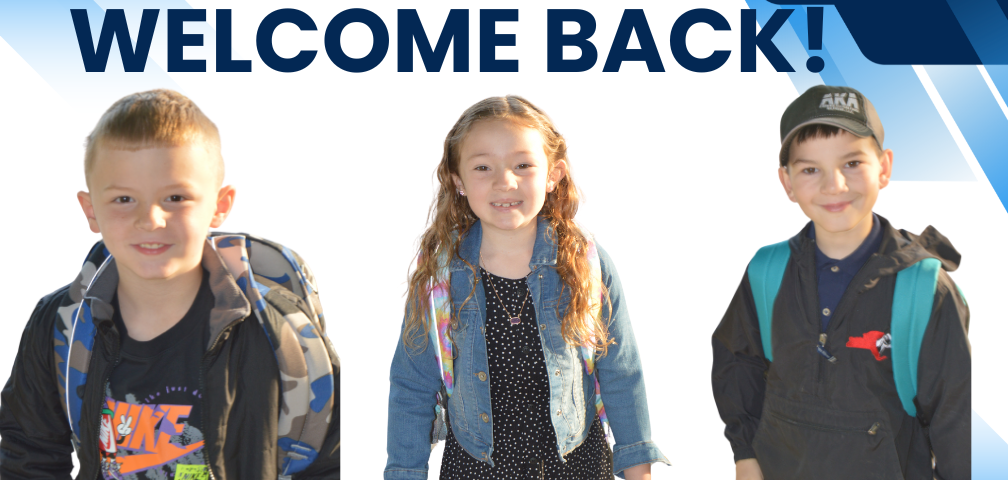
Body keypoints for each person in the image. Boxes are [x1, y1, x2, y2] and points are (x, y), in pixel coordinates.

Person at [0, 89, 340, 479]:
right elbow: (29, 456)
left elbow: (328, 461)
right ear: (90, 209)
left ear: (220, 204)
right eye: (124, 199)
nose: (152, 219)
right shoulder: (59, 324)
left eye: (175, 197)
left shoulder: (275, 331)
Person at [385, 96, 667, 480]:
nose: (505, 181)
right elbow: (411, 385)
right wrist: (404, 472)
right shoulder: (440, 275)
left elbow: (621, 372)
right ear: (458, 180)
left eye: (523, 165)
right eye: (483, 166)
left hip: (578, 468)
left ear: (554, 174)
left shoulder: (584, 263)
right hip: (475, 470)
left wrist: (639, 471)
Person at [711, 85, 970, 480]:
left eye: (852, 163)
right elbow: (737, 363)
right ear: (787, 182)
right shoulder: (767, 271)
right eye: (810, 169)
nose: (834, 185)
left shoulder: (923, 290)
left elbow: (955, 425)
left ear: (883, 167)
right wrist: (745, 454)